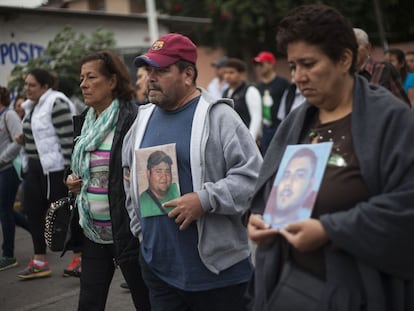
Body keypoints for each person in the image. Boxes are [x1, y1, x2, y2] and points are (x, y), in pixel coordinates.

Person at [247, 4, 414, 310]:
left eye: (308, 64)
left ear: (344, 59)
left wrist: (330, 230)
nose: (298, 77)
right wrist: (258, 218)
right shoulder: (297, 122)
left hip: (359, 292)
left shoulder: (391, 120)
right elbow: (269, 191)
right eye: (293, 66)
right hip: (288, 286)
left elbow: (406, 206)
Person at [123, 33, 262, 311]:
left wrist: (204, 200)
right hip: (159, 271)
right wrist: (141, 234)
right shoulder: (142, 119)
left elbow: (254, 176)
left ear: (188, 74)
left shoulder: (220, 117)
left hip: (218, 275)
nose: (151, 77)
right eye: (149, 69)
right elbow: (130, 180)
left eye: (161, 71)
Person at [64, 50, 150, 311]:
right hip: (93, 231)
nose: (83, 84)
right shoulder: (85, 123)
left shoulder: (134, 120)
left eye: (91, 77)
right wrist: (71, 182)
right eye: (81, 78)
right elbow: (80, 170)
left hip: (128, 233)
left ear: (112, 81)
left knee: (146, 301)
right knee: (89, 303)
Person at [15, 68, 76, 279]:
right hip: (33, 167)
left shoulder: (56, 103)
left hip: (54, 168)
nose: (27, 89)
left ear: (45, 86)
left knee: (62, 214)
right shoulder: (32, 107)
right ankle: (40, 260)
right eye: (25, 84)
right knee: (33, 213)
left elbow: (68, 139)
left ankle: (80, 256)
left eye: (32, 85)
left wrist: (70, 170)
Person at [0, 86, 30, 271]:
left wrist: (2, 159)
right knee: (5, 210)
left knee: (4, 211)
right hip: (2, 169)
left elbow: (20, 139)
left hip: (9, 169)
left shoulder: (8, 115)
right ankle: (37, 231)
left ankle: (8, 255)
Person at [353, 28, 410, 105]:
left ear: (368, 47)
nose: (351, 50)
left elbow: (403, 104)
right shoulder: (345, 76)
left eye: (355, 46)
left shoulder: (384, 69)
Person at [263, 147, 317, 228]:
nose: (288, 183)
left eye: (299, 175)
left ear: (310, 186)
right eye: (286, 175)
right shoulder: (260, 217)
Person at [252, 51, 289, 155]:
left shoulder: (283, 83)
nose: (258, 67)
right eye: (256, 65)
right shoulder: (257, 87)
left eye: (261, 64)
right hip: (265, 130)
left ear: (271, 64)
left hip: (280, 128)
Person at [222, 58, 262, 141]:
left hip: (246, 138)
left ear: (241, 74)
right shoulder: (226, 92)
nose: (227, 76)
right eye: (225, 73)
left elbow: (256, 117)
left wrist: (251, 139)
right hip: (231, 138)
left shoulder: (250, 90)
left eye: (231, 72)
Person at [139, 150, 180, 217]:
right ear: (148, 173)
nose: (164, 177)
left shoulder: (176, 189)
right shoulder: (143, 202)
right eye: (158, 171)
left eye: (167, 171)